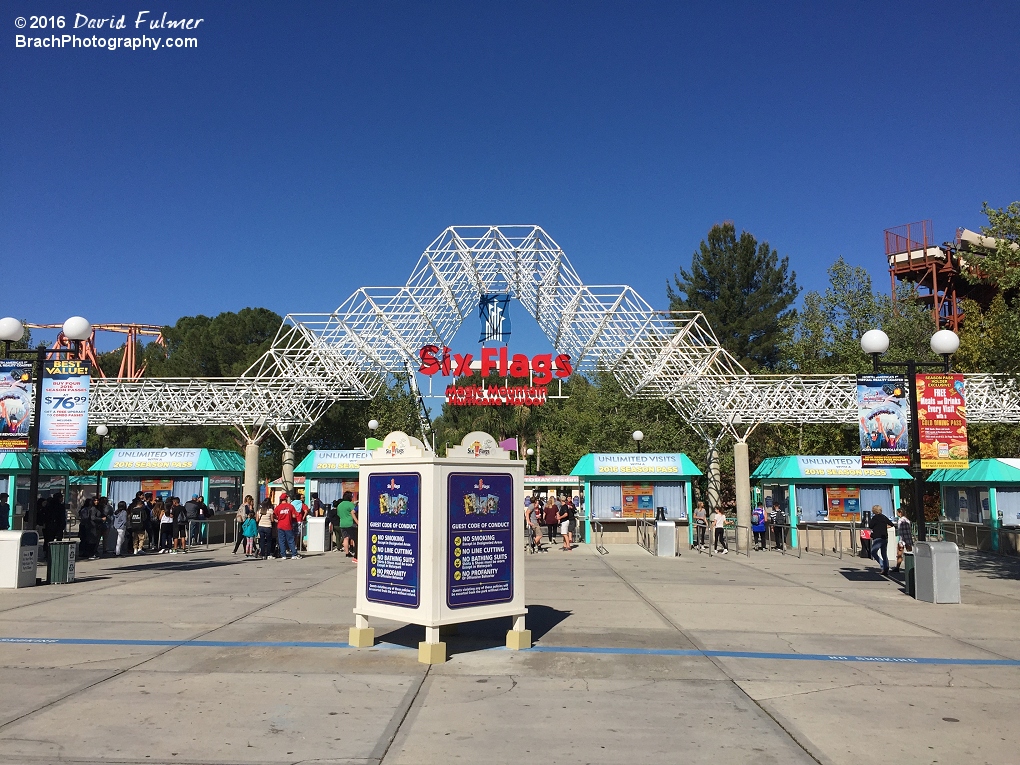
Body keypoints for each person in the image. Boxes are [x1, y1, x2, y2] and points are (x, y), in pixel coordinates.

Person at [868, 504, 895, 575]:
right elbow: (891, 524)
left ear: (874, 511)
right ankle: (886, 567)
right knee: (884, 554)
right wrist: (884, 527)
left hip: (877, 537)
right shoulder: (884, 517)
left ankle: (883, 565)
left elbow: (870, 526)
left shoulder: (874, 518)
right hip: (885, 537)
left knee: (873, 552)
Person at [274, 492, 300, 560]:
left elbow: (275, 515)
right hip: (288, 525)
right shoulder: (290, 506)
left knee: (281, 540)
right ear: (286, 498)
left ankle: (283, 555)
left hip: (280, 525)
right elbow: (294, 515)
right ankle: (294, 554)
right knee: (291, 540)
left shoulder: (278, 507)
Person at [335, 491, 358, 559]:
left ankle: (347, 553)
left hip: (342, 523)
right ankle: (355, 552)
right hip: (351, 523)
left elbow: (338, 514)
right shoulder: (350, 504)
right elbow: (355, 512)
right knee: (355, 539)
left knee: (345, 538)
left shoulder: (340, 505)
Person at [892, 507, 913, 573]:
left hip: (902, 539)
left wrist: (901, 541)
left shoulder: (900, 520)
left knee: (899, 554)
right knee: (910, 553)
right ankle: (912, 566)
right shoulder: (907, 520)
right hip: (908, 538)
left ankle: (897, 567)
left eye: (897, 512)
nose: (897, 514)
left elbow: (901, 531)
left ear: (900, 513)